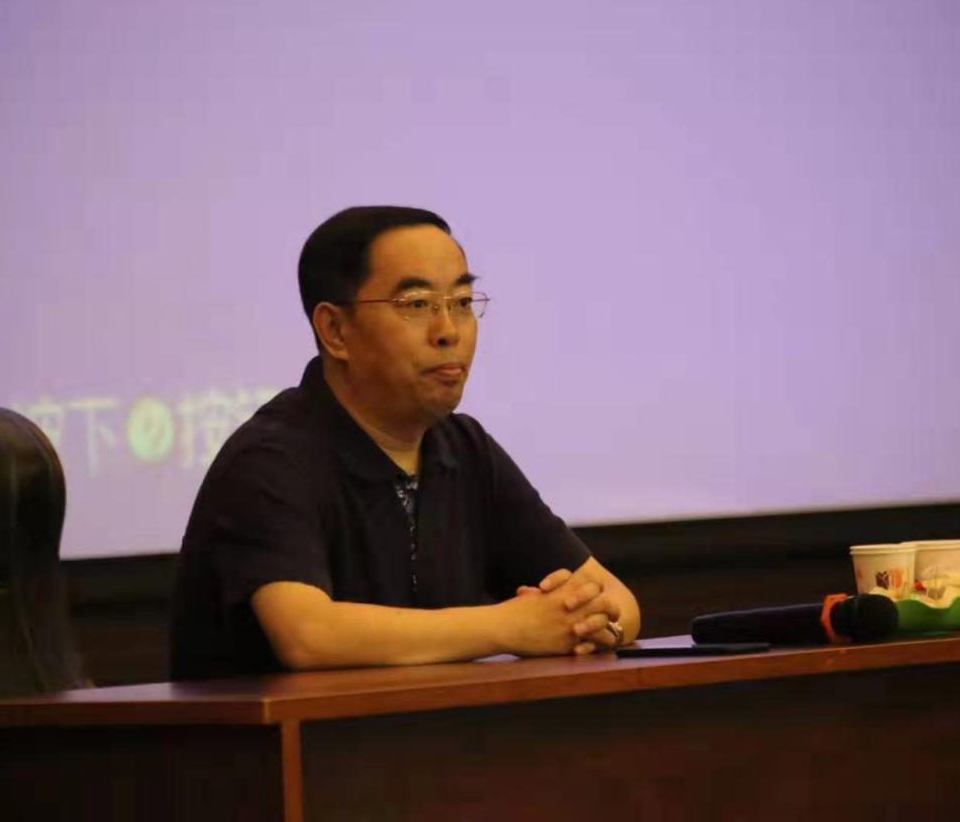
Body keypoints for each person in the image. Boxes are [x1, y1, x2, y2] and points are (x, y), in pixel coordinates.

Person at [169, 206, 640, 679]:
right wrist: (510, 626)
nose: (449, 331)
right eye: (417, 304)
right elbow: (307, 634)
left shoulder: (464, 448)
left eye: (461, 302)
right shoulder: (270, 459)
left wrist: (594, 626)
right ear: (335, 331)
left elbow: (619, 602)